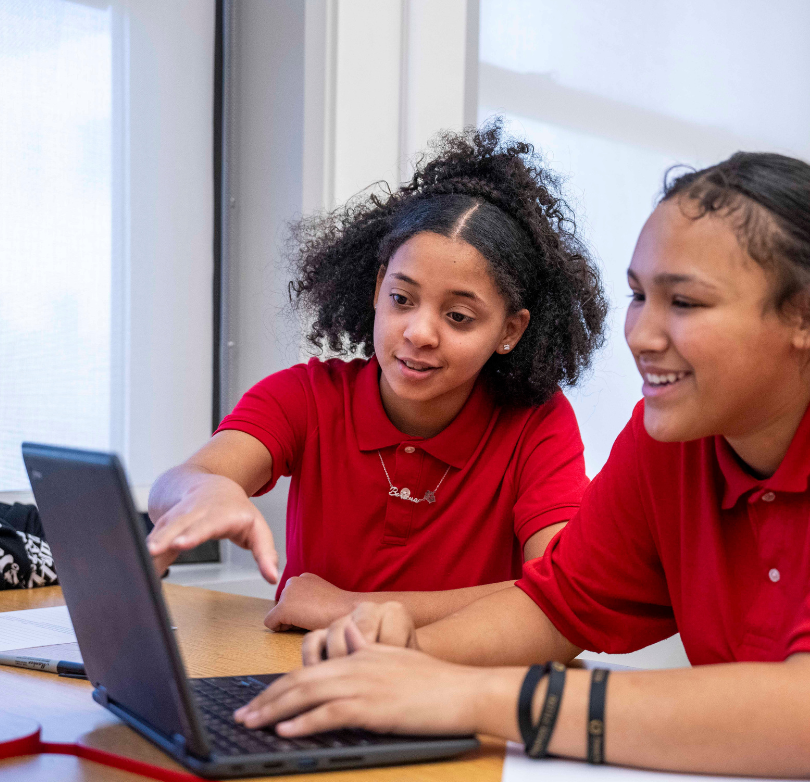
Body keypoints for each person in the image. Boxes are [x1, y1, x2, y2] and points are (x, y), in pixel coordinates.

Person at [233, 152, 810, 778]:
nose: (640, 334)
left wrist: (466, 697)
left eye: (685, 302)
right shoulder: (678, 437)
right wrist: (403, 653)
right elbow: (554, 607)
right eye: (639, 294)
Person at [147, 124, 606, 632]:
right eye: (401, 299)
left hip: (454, 695)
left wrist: (350, 609)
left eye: (458, 317)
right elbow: (174, 484)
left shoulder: (535, 424)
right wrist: (204, 492)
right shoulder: (306, 396)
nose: (419, 332)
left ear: (510, 330)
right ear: (376, 288)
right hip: (308, 686)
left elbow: (564, 590)